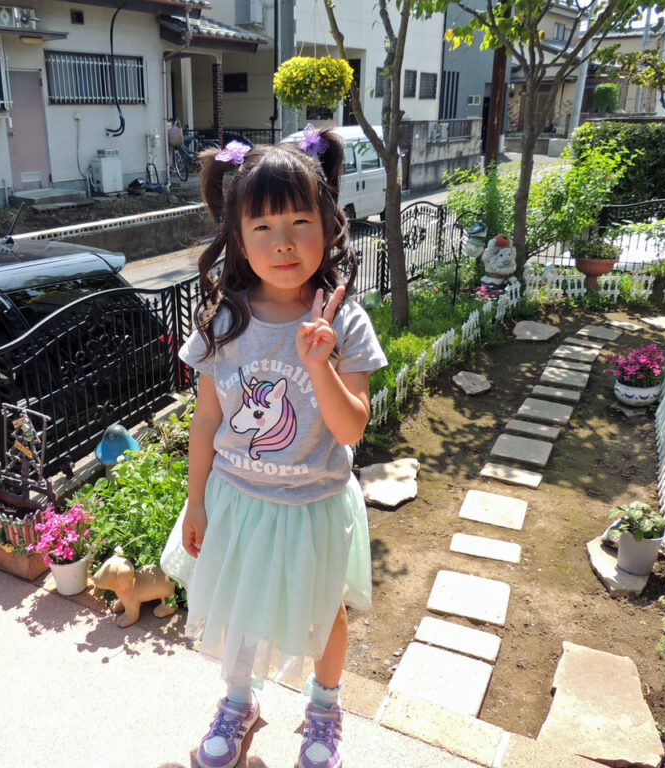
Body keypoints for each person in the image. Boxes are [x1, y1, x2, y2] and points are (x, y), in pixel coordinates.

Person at [160, 125, 387, 768]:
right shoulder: (224, 319)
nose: (283, 242)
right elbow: (207, 420)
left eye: (299, 221)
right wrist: (196, 501)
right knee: (239, 605)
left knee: (326, 614)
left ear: (328, 226)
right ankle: (240, 701)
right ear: (237, 237)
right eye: (262, 226)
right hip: (238, 501)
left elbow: (351, 429)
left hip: (315, 505)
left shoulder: (343, 320)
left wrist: (318, 364)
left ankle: (325, 709)